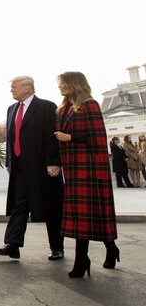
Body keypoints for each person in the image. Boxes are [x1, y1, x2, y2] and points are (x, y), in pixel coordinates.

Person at [53, 71, 119, 278]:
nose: (60, 87)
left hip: (89, 169)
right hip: (72, 168)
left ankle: (84, 258)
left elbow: (98, 138)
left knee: (90, 214)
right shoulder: (63, 107)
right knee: (82, 215)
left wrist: (69, 137)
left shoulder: (90, 104)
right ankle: (106, 250)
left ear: (73, 84)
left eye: (62, 84)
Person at [0, 76, 64, 261]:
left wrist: (53, 162)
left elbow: (52, 136)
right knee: (19, 204)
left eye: (14, 87)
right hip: (19, 167)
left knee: (50, 206)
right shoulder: (12, 109)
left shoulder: (47, 107)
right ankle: (12, 245)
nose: (11, 90)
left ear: (27, 88)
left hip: (42, 166)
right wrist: (9, 160)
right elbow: (11, 138)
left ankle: (57, 247)